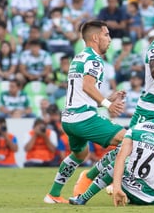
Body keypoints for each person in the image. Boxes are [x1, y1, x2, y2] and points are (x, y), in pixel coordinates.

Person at [44, 20, 127, 204]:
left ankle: (54, 194)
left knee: (80, 155)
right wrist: (107, 104)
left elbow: (82, 95)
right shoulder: (94, 60)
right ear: (96, 37)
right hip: (83, 119)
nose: (110, 39)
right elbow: (88, 86)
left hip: (69, 118)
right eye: (106, 35)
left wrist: (108, 98)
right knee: (128, 140)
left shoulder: (79, 58)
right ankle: (92, 178)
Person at [69, 91, 154, 206]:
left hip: (125, 186)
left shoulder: (139, 126)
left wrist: (118, 187)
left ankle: (83, 198)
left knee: (119, 161)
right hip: (150, 196)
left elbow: (120, 157)